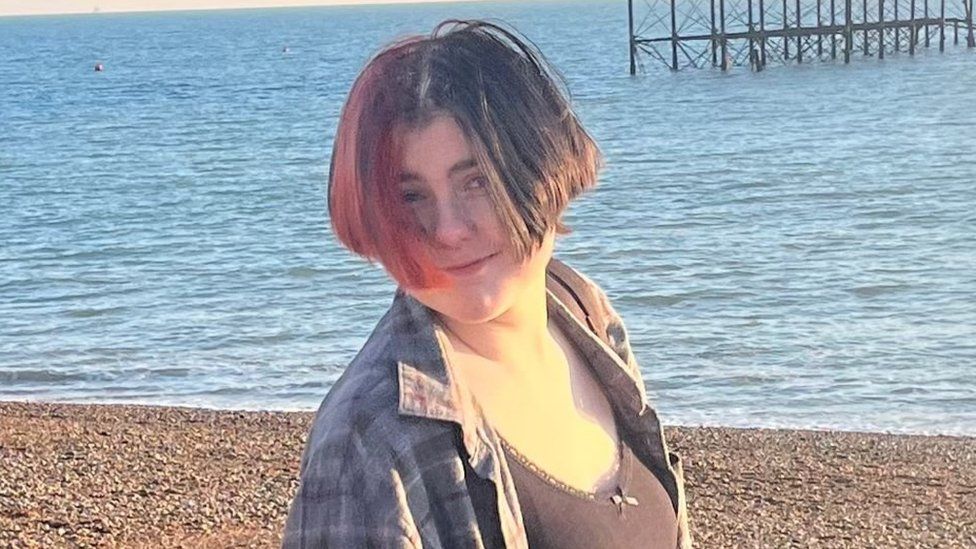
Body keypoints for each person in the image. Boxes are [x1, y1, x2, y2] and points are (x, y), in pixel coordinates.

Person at [283, 20, 691, 549]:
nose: (449, 230)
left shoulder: (582, 311)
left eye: (477, 181)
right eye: (411, 197)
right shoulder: (368, 441)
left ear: (541, 170)